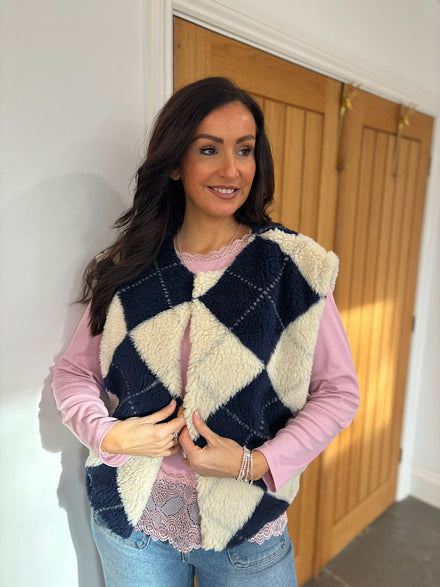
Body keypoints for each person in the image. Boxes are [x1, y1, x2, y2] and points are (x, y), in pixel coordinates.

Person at [52, 77, 359, 587]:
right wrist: (106, 434)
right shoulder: (128, 265)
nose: (231, 170)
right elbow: (73, 373)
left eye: (245, 150)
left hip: (247, 531)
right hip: (133, 523)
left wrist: (255, 463)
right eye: (209, 149)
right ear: (175, 162)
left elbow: (339, 393)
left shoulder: (295, 267)